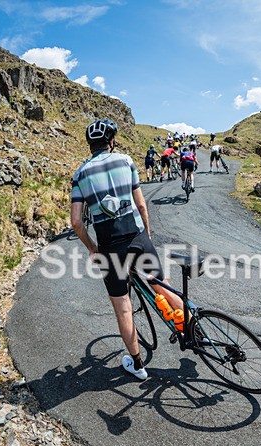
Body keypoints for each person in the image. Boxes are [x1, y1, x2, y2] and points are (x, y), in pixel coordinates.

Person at [70, 118, 184, 380]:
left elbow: (76, 222)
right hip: (136, 236)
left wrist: (92, 249)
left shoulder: (80, 174)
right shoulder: (125, 160)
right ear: (111, 140)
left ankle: (137, 365)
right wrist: (147, 233)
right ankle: (194, 331)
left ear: (90, 145)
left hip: (110, 247)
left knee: (122, 307)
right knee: (161, 284)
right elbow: (142, 205)